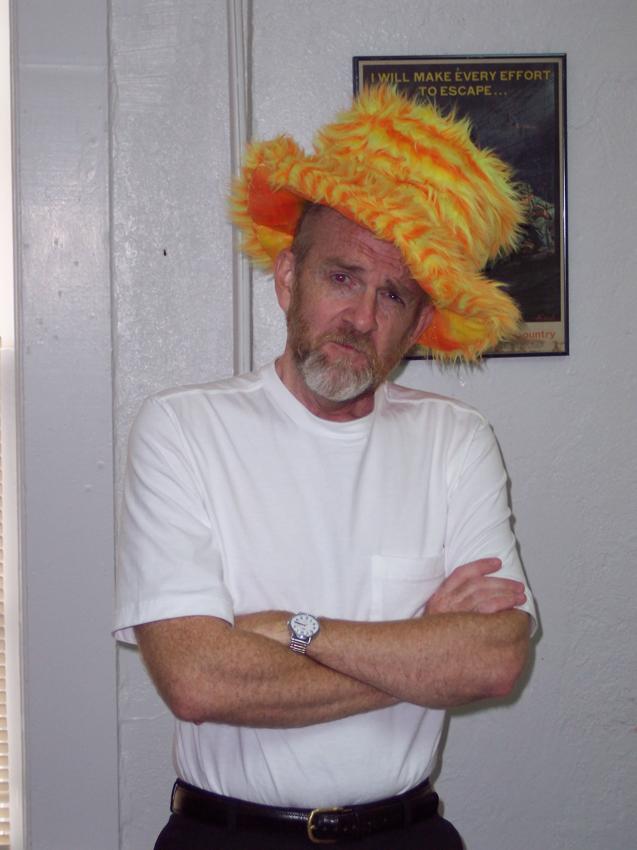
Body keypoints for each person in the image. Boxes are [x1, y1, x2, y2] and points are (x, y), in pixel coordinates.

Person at [114, 86, 536, 849]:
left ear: (418, 324)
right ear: (288, 279)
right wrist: (419, 649)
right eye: (341, 277)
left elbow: (493, 661)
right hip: (228, 836)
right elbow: (198, 682)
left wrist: (292, 629)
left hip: (404, 834)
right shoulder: (184, 429)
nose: (361, 318)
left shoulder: (455, 440)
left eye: (392, 294)